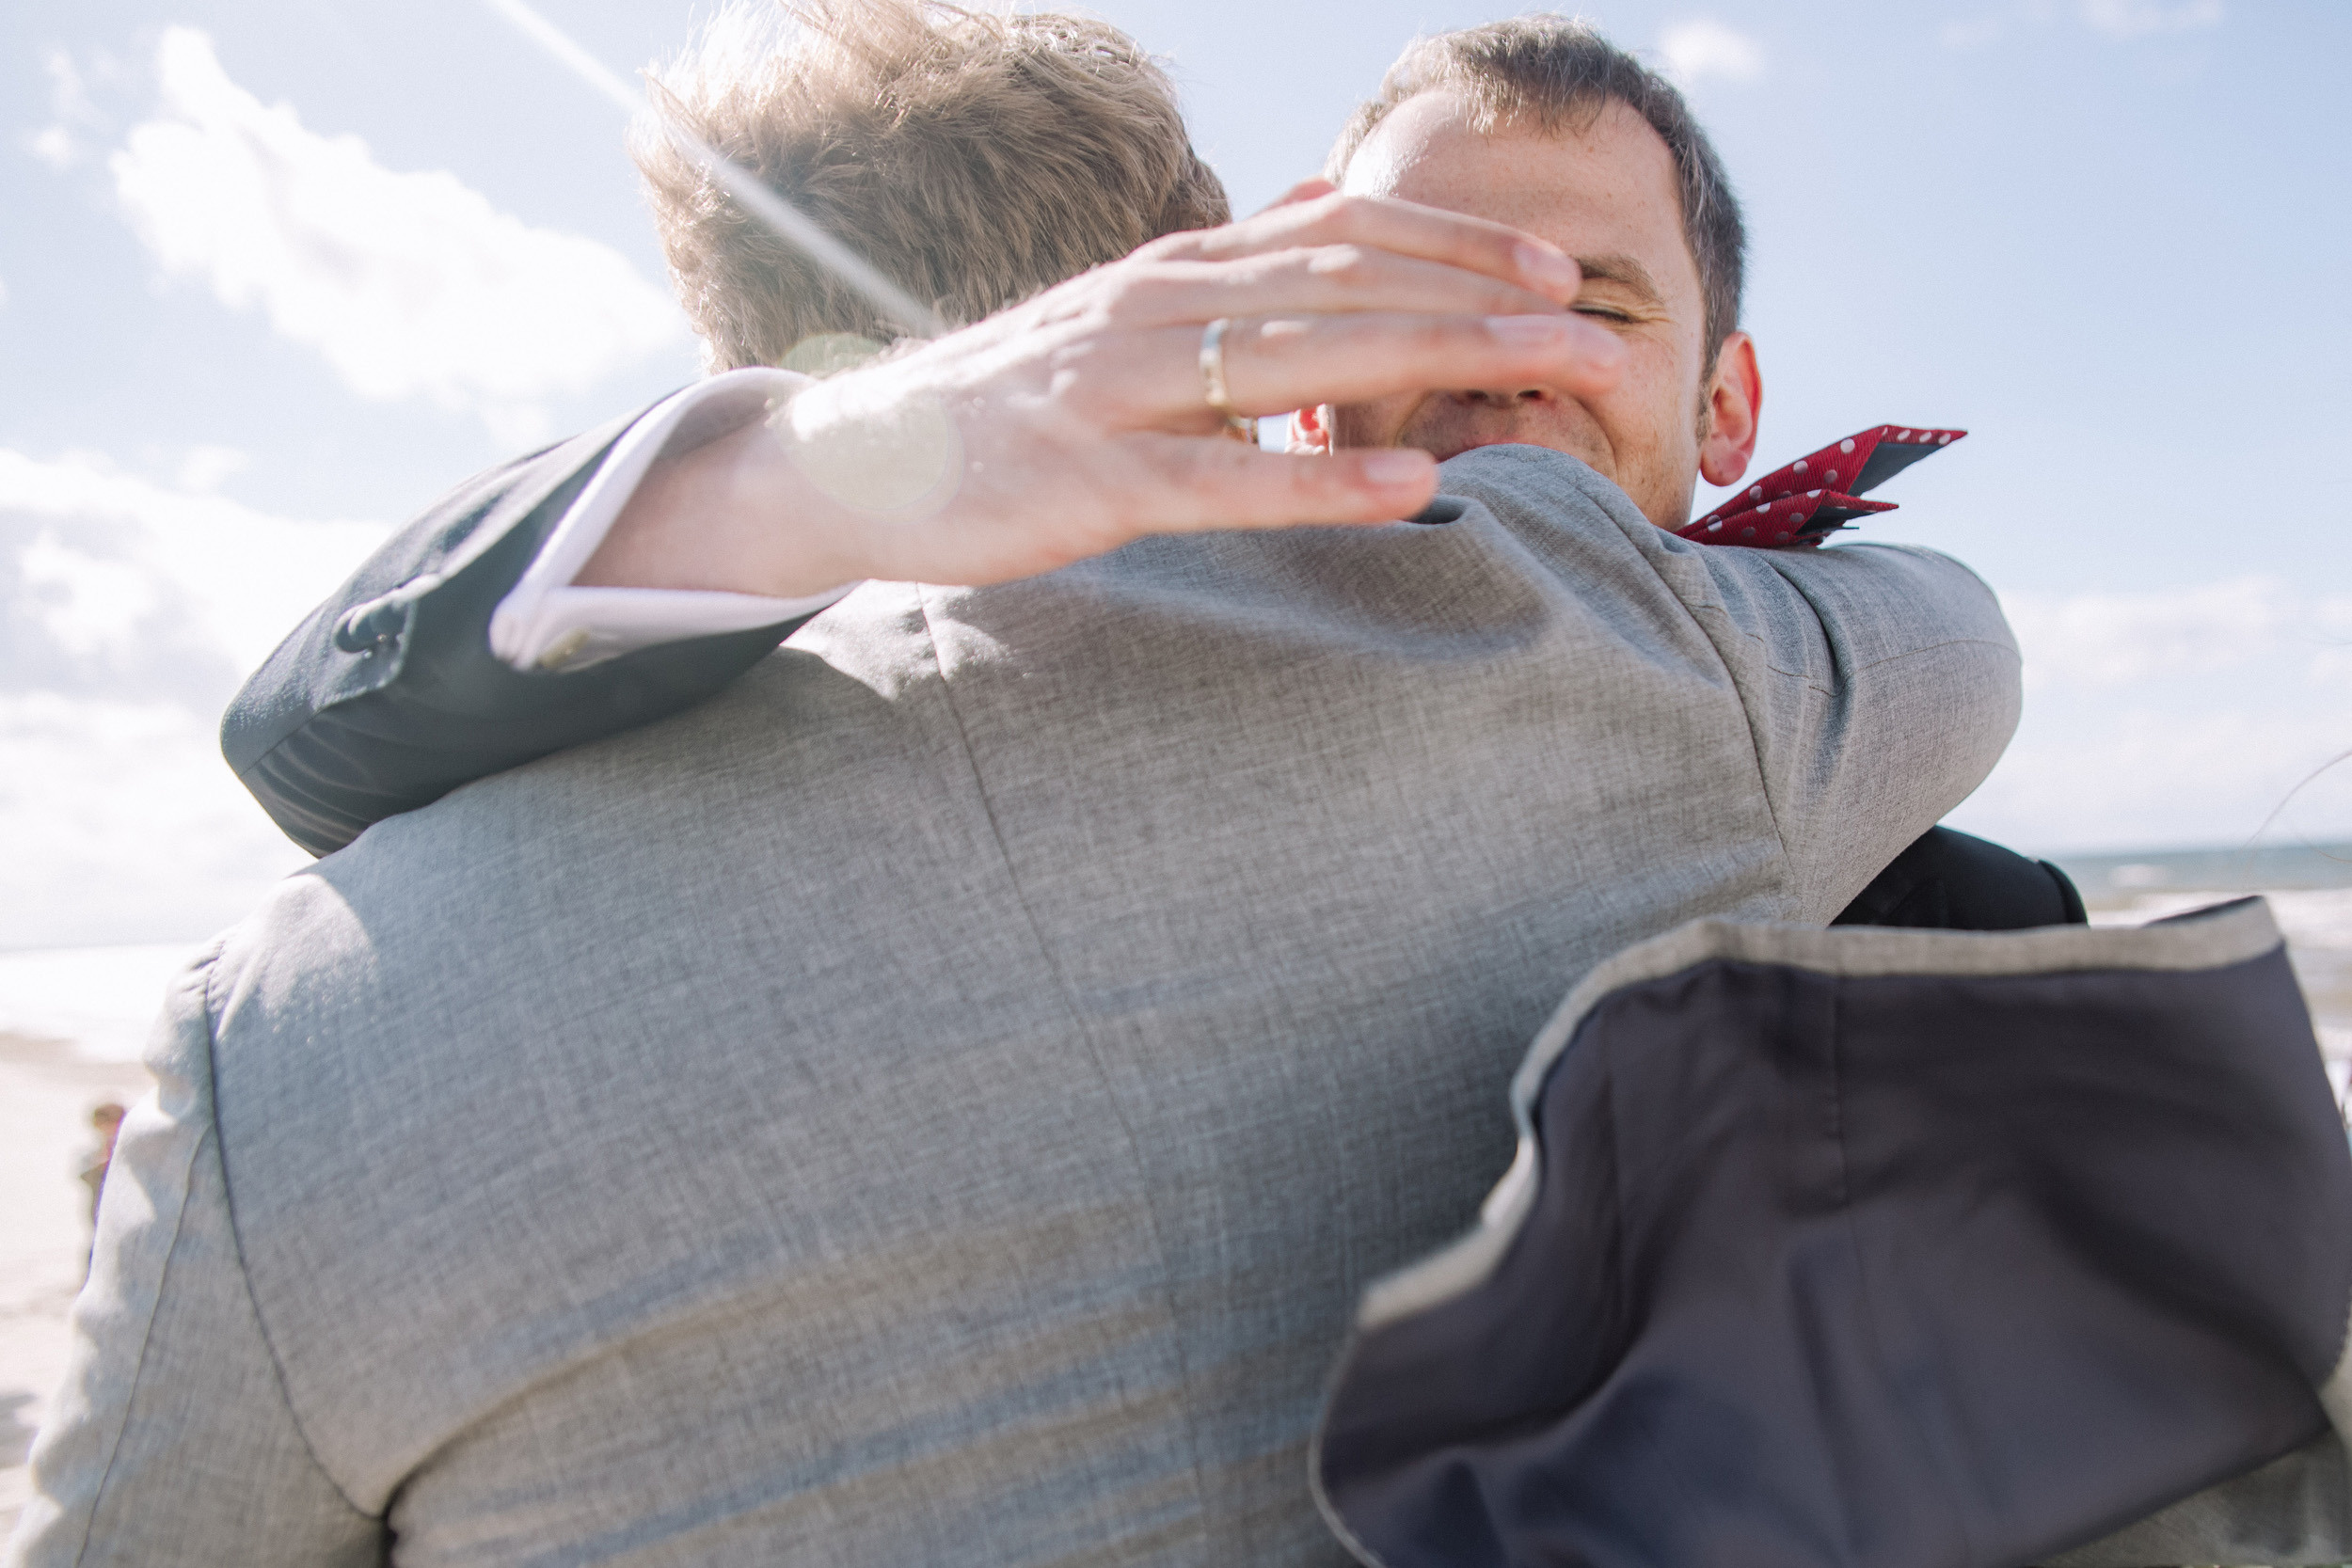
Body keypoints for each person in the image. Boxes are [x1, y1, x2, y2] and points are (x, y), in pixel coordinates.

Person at [10, 16, 2051, 1568]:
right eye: (1421, 292)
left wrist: (793, 477)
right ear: (1264, 331)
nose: (1508, 367)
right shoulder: (1684, 683)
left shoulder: (285, 1036)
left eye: (1585, 302)